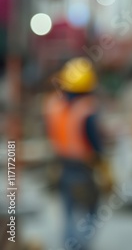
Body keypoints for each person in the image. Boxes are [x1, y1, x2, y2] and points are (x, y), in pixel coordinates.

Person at [44, 57, 104, 250]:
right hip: (82, 166)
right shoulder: (86, 110)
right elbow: (94, 141)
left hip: (61, 164)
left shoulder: (53, 105)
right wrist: (102, 162)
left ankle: (70, 243)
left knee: (68, 208)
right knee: (89, 207)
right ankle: (81, 245)